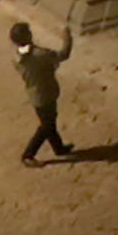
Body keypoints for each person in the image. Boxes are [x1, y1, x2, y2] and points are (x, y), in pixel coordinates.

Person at [11, 21, 75, 162]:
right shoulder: (39, 54)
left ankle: (58, 148)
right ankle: (28, 154)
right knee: (47, 125)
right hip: (46, 93)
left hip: (35, 94)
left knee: (49, 121)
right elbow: (64, 54)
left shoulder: (16, 57)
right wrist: (67, 38)